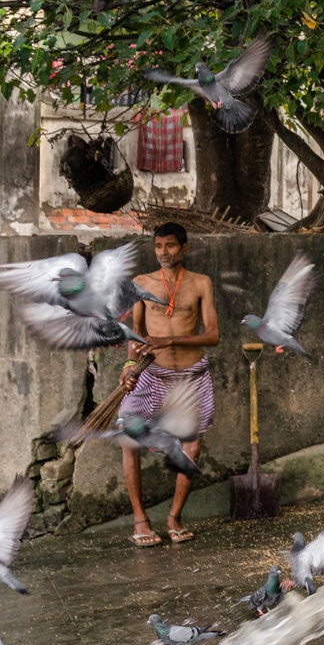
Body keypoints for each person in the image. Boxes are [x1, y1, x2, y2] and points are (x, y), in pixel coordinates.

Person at [119, 222, 220, 547]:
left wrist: (170, 338)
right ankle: (140, 520)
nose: (164, 252)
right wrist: (131, 364)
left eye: (171, 246)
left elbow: (213, 335)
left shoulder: (200, 283)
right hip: (151, 374)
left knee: (191, 447)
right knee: (128, 439)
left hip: (190, 376)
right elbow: (136, 334)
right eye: (159, 246)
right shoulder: (141, 283)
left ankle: (175, 517)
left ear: (184, 248)